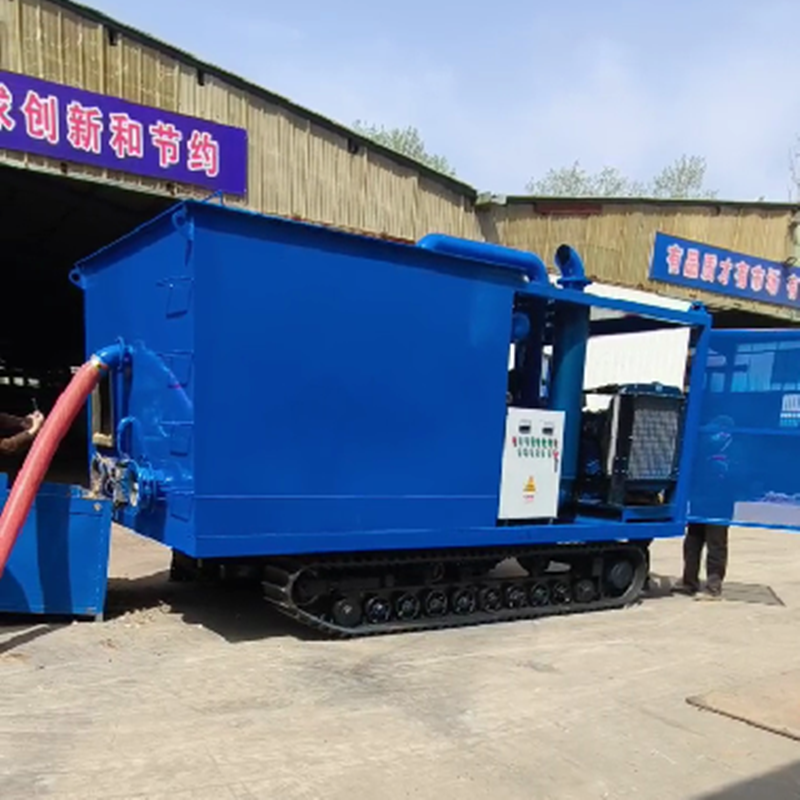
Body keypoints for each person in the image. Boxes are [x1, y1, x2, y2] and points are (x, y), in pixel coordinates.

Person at [673, 414, 734, 600]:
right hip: (700, 503)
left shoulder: (734, 452)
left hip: (720, 506)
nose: (714, 435)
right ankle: (689, 582)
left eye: (718, 431)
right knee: (692, 542)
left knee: (716, 545)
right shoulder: (704, 449)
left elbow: (739, 480)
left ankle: (713, 587)